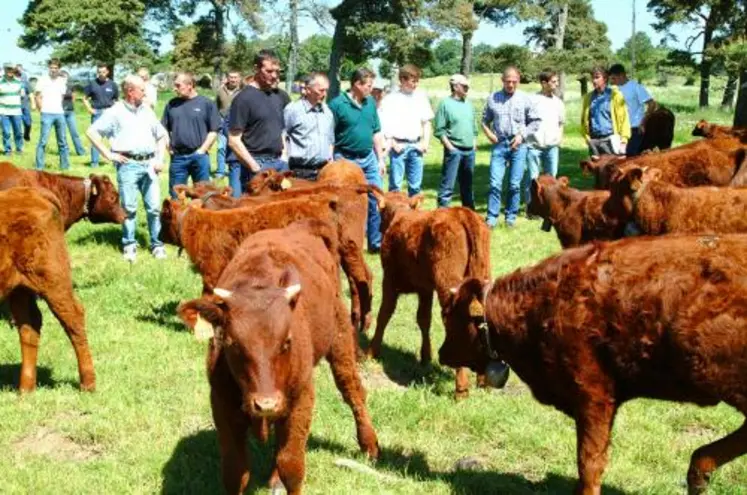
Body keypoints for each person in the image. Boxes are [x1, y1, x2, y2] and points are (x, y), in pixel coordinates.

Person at [86, 74, 168, 262]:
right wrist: (109, 154)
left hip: (150, 165)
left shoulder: (147, 110)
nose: (145, 92)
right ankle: (129, 244)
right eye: (142, 89)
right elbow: (92, 132)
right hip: (128, 165)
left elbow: (161, 135)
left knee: (154, 208)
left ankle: (157, 244)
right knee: (129, 208)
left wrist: (159, 159)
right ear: (130, 91)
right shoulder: (115, 112)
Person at [328, 67, 388, 253]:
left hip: (368, 158)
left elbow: (376, 132)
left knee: (377, 198)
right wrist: (331, 161)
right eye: (368, 85)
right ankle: (347, 242)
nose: (371, 89)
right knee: (347, 203)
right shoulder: (337, 104)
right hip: (344, 158)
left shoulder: (370, 103)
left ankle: (375, 242)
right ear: (357, 84)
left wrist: (380, 160)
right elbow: (329, 135)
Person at [482, 66, 539, 228]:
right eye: (508, 82)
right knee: (495, 183)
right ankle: (492, 218)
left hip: (518, 145)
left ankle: (510, 217)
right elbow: (484, 120)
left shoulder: (525, 98)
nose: (511, 85)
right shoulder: (493, 98)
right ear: (502, 80)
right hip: (499, 144)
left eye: (514, 82)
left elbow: (535, 121)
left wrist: (522, 136)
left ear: (518, 81)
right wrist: (489, 134)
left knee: (514, 184)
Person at [227, 50, 290, 197]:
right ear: (256, 69)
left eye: (276, 71)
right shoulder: (243, 99)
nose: (274, 75)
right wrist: (255, 168)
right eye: (268, 71)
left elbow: (281, 129)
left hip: (279, 162)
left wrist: (284, 155)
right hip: (257, 164)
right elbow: (234, 140)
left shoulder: (279, 96)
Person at [162, 72, 220, 199]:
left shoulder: (206, 103)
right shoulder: (171, 104)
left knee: (203, 196)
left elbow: (214, 130)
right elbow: (164, 129)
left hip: (199, 157)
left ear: (190, 85)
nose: (175, 88)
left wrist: (202, 150)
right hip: (178, 157)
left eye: (178, 85)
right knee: (175, 197)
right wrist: (169, 147)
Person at [378, 64, 433, 196]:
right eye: (413, 81)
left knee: (415, 186)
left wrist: (425, 143)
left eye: (417, 81)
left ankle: (414, 215)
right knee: (395, 186)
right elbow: (383, 124)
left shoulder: (421, 98)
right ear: (402, 80)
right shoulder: (390, 99)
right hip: (398, 146)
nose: (416, 84)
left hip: (416, 146)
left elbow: (426, 123)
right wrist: (391, 141)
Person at [434, 73, 477, 209]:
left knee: (467, 187)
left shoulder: (469, 105)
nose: (467, 89)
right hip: (454, 150)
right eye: (465, 87)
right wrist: (450, 147)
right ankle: (442, 215)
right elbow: (439, 129)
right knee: (447, 186)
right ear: (455, 86)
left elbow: (474, 127)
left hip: (469, 151)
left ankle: (469, 215)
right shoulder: (445, 104)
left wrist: (474, 143)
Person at [523, 69, 565, 208]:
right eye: (553, 82)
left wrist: (559, 139)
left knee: (552, 177)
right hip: (533, 146)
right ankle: (532, 206)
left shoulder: (558, 102)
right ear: (543, 83)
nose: (556, 84)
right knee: (532, 178)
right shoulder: (531, 100)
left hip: (552, 147)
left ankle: (549, 206)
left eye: (557, 81)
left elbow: (561, 123)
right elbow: (524, 121)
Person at [283, 72, 334, 180]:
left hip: (323, 172)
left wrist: (330, 158)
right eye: (321, 90)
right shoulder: (293, 110)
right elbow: (282, 135)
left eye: (326, 90)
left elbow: (330, 139)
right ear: (308, 89)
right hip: (299, 173)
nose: (324, 94)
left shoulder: (327, 112)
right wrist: (284, 162)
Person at [581, 66, 630, 160]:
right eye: (593, 78)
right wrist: (587, 138)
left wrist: (624, 141)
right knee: (596, 171)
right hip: (594, 140)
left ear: (605, 79)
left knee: (612, 171)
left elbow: (624, 119)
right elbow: (584, 119)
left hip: (610, 140)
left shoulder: (615, 95)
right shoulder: (588, 98)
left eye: (597, 77)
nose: (594, 81)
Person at [609, 63, 654, 156]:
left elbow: (652, 104)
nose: (612, 81)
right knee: (618, 155)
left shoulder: (636, 87)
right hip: (619, 129)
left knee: (631, 156)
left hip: (634, 128)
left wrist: (643, 122)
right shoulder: (614, 90)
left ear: (622, 75)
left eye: (614, 78)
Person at [34, 58, 70, 171]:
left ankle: (65, 166)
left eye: (55, 68)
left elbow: (62, 97)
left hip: (59, 114)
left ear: (59, 69)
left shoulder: (62, 81)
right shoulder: (42, 80)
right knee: (43, 141)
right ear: (48, 68)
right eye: (51, 68)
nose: (53, 70)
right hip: (47, 113)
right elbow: (37, 96)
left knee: (63, 141)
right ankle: (39, 166)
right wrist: (42, 110)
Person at [83, 62, 119, 167]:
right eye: (99, 72)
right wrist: (89, 109)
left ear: (107, 72)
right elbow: (84, 98)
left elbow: (116, 100)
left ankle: (116, 161)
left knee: (114, 138)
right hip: (97, 113)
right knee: (95, 137)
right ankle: (94, 163)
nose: (101, 74)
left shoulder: (113, 84)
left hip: (110, 113)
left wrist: (116, 112)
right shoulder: (92, 84)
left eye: (103, 72)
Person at [215, 69, 242, 179]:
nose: (233, 79)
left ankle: (236, 169)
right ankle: (221, 172)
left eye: (235, 77)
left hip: (237, 124)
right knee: (221, 147)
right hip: (222, 124)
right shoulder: (220, 90)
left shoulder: (243, 91)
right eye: (231, 77)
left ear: (239, 79)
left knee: (236, 147)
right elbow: (216, 106)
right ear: (228, 78)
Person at [0, 62, 25, 156]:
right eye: (8, 69)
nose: (10, 71)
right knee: (6, 132)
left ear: (14, 70)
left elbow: (22, 95)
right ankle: (8, 150)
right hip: (3, 111)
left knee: (18, 132)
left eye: (11, 69)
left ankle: (19, 149)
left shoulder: (19, 82)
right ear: (4, 69)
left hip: (16, 111)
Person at [60, 70, 87, 156]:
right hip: (60, 112)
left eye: (65, 77)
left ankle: (81, 151)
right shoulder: (57, 86)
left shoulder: (71, 86)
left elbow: (73, 96)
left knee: (74, 132)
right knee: (62, 133)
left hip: (70, 111)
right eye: (62, 77)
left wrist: (71, 105)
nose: (64, 79)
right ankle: (65, 152)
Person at [15, 64, 32, 142]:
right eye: (17, 71)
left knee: (28, 123)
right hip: (15, 106)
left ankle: (26, 134)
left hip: (25, 105)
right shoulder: (12, 81)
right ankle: (19, 140)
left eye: (20, 70)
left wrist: (33, 103)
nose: (19, 72)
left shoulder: (25, 81)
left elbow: (30, 92)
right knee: (17, 125)